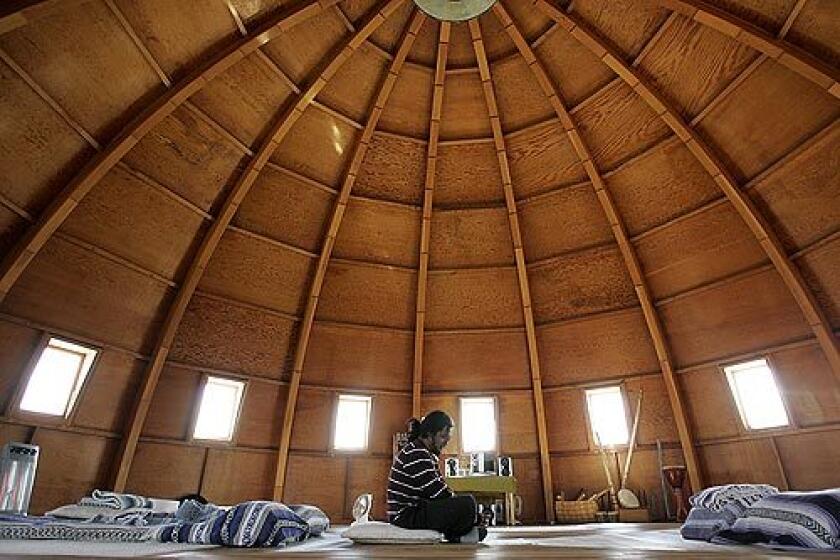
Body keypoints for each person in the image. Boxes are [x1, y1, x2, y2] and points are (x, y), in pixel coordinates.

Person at [387, 411, 487, 543]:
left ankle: (460, 534)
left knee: (466, 505)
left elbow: (439, 490)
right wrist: (470, 513)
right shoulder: (417, 453)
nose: (445, 442)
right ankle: (458, 535)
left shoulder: (424, 452)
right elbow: (438, 494)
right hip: (405, 515)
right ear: (429, 434)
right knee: (468, 503)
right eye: (443, 437)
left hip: (416, 510)